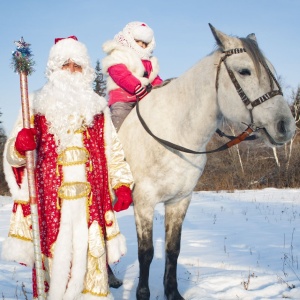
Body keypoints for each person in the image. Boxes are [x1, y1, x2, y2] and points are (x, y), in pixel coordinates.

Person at [2, 36, 134, 300]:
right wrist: (19, 145)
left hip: (91, 202)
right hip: (51, 203)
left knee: (91, 259)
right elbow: (13, 158)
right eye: (66, 65)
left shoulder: (97, 108)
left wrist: (122, 183)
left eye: (77, 66)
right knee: (54, 262)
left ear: (85, 71)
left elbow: (113, 150)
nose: (72, 71)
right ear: (54, 69)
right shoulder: (35, 104)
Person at [102, 21, 163, 131]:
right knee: (119, 119)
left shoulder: (149, 62)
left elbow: (154, 80)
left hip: (144, 99)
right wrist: (136, 86)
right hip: (123, 99)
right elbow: (120, 74)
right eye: (138, 41)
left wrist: (162, 89)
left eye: (145, 43)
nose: (141, 45)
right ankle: (114, 143)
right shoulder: (119, 55)